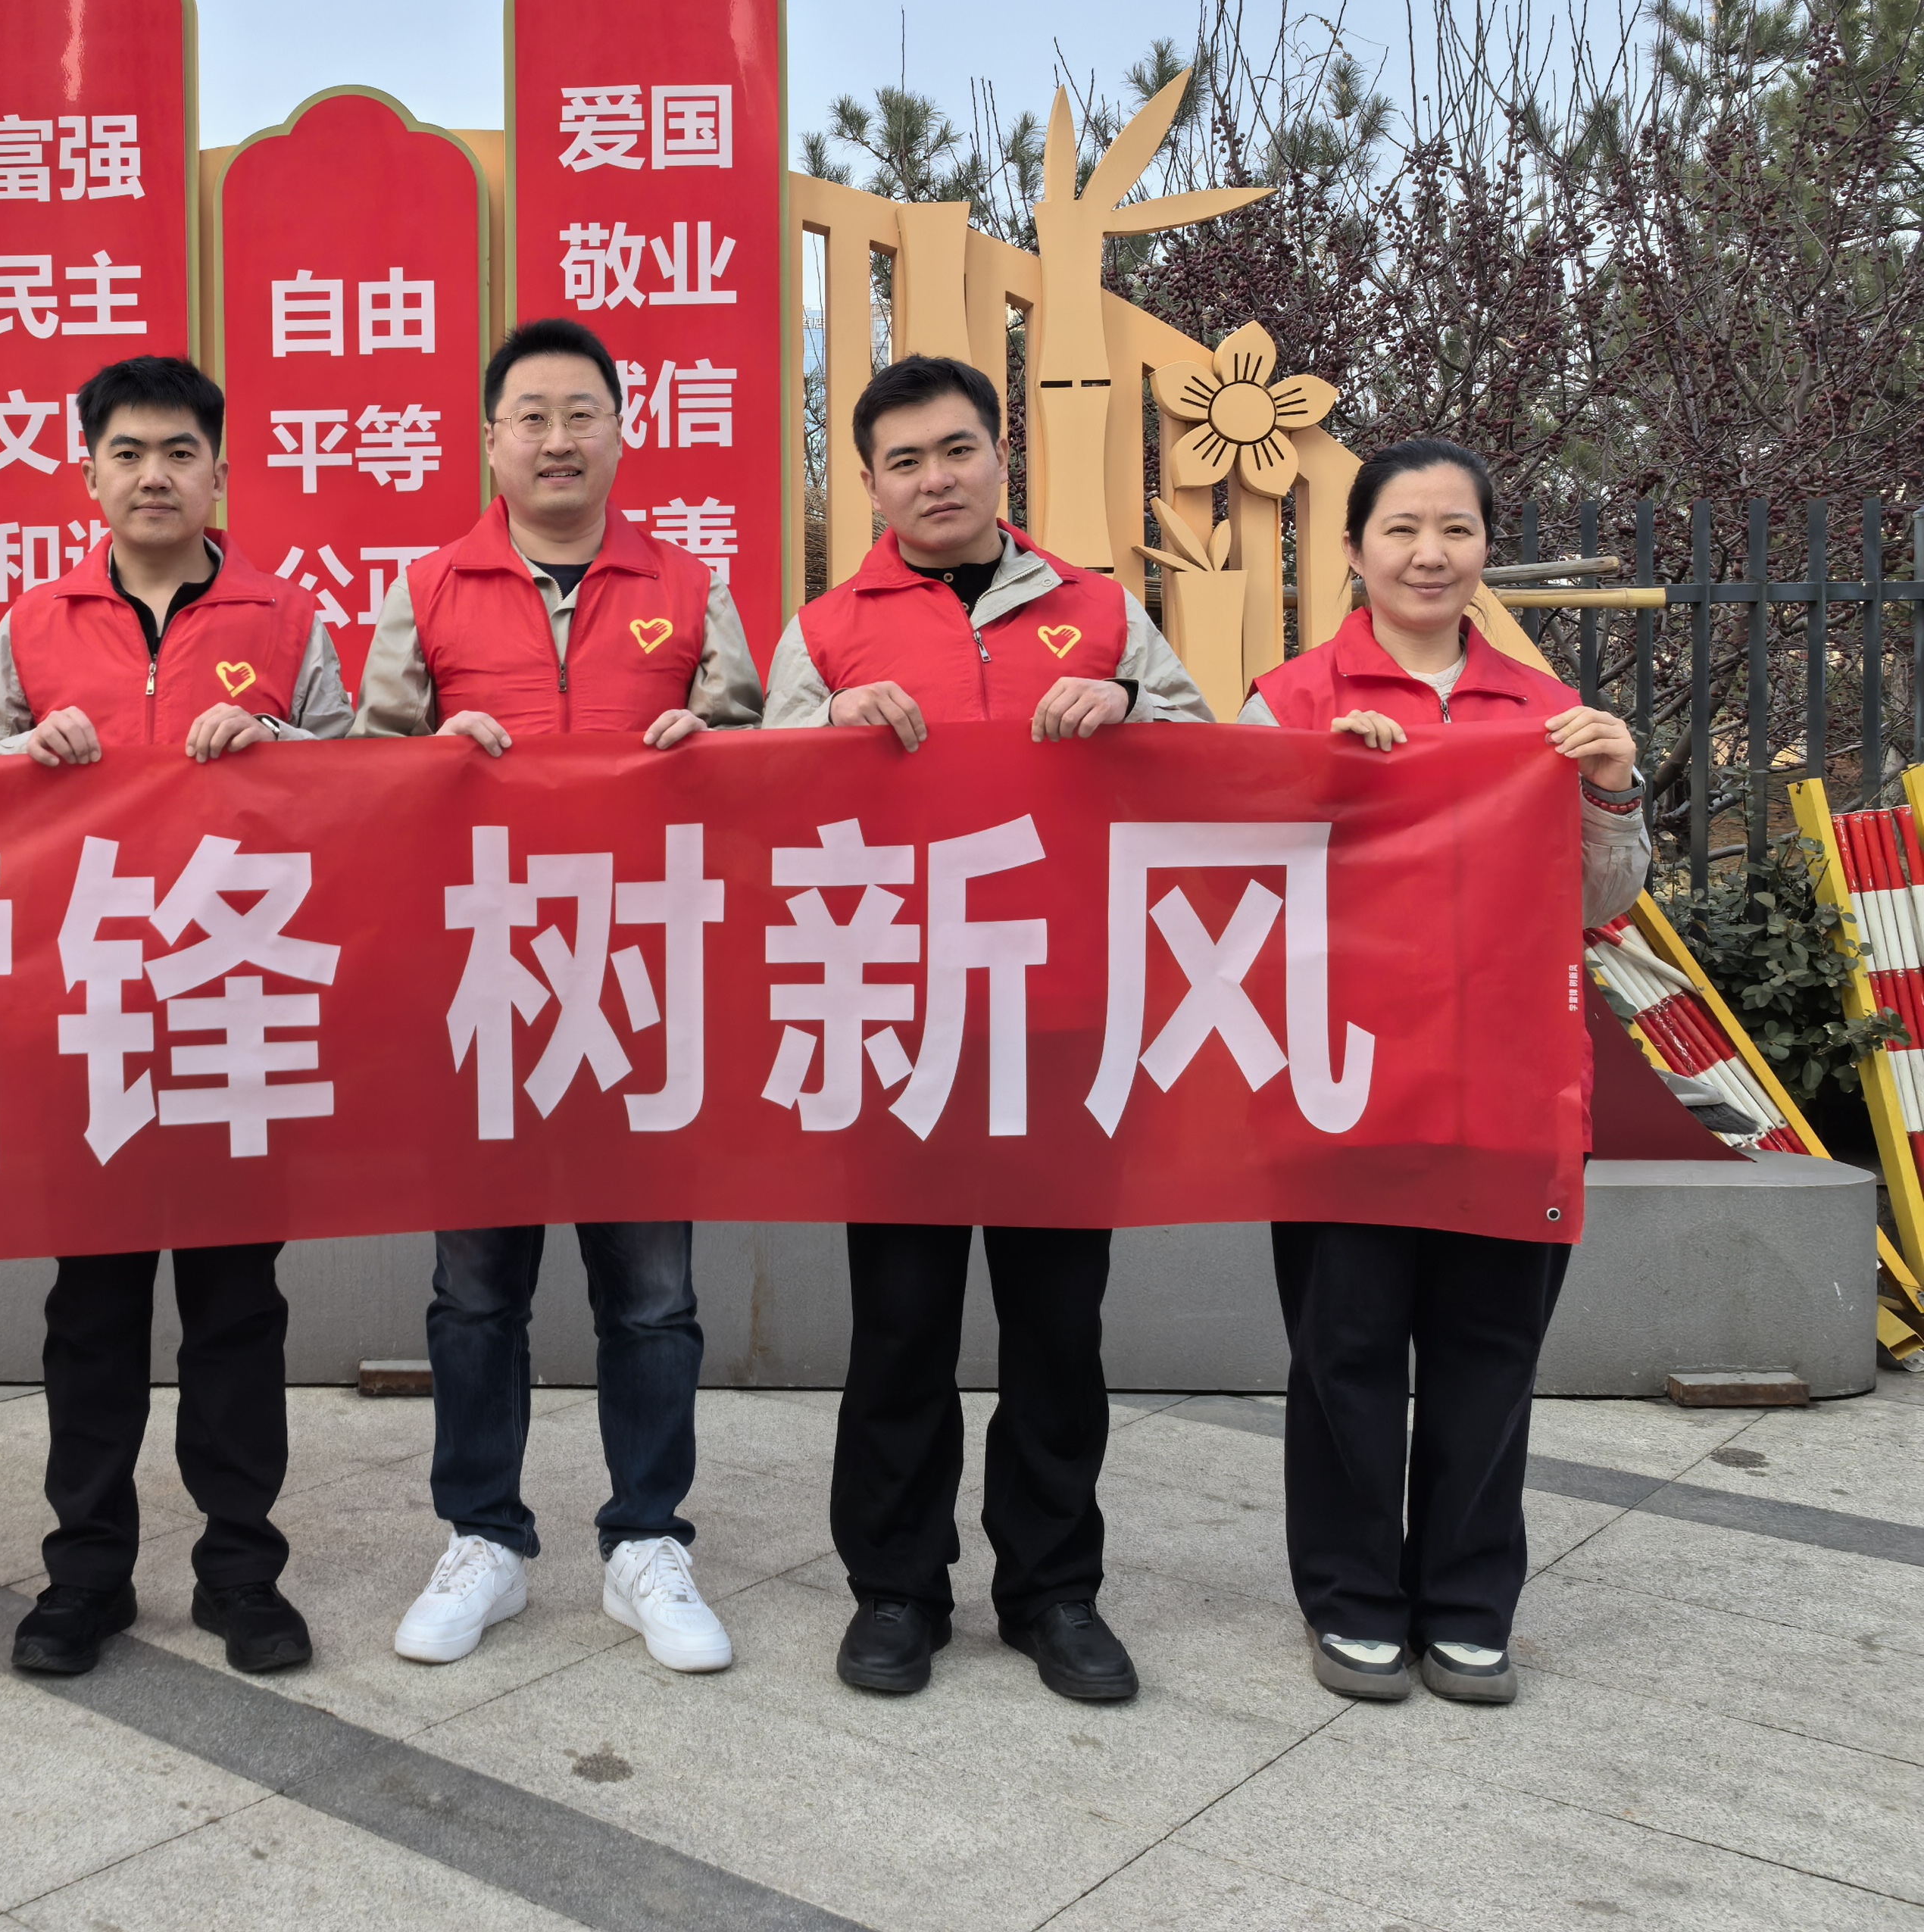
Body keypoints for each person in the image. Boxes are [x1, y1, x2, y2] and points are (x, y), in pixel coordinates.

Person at [761, 354, 1211, 1706]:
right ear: (870, 485)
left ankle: (1053, 1590)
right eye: (904, 461)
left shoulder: (1101, 610)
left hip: (1062, 1026)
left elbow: (1213, 764)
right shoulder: (825, 632)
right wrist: (825, 729)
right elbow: (754, 811)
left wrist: (1132, 709)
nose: (935, 479)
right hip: (897, 1026)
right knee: (899, 1328)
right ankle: (895, 1589)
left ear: (1000, 458)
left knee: (1057, 1330)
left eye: (957, 450)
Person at [353, 315, 761, 1676]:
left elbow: (768, 758)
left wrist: (717, 746)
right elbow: (360, 773)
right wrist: (431, 753)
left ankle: (648, 1542)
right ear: (491, 441)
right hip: (483, 982)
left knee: (653, 1291)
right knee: (476, 1289)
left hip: (646, 982)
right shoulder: (428, 589)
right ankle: (485, 1538)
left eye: (583, 413)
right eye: (530, 416)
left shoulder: (688, 587)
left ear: (622, 432)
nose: (558, 438)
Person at [0, 354, 352, 1680]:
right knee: (94, 1311)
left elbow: (367, 785)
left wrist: (287, 751)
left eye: (180, 452)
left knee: (238, 1308)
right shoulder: (34, 624)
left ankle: (242, 1573)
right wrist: (18, 754)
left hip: (239, 1000)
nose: (154, 475)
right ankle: (86, 1575)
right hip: (92, 1007)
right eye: (127, 453)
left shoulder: (286, 619)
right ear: (89, 474)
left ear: (220, 472)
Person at [1241, 437, 1644, 1706]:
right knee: (1346, 1351)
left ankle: (1470, 1605)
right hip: (1345, 1091)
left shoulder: (1545, 711)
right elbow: (1228, 888)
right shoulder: (1287, 701)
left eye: (1457, 529)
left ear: (1485, 549)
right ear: (1354, 549)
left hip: (1511, 1092)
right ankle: (1354, 1600)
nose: (1430, 554)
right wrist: (1314, 786)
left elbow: (1599, 901)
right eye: (1402, 529)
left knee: (1489, 1352)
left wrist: (1614, 787)